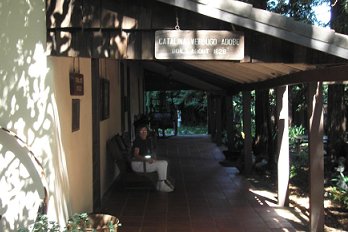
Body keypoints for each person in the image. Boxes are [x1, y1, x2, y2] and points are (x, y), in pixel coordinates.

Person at [131, 125, 174, 192]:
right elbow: (136, 155)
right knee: (160, 165)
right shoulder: (138, 141)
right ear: (138, 132)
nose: (143, 132)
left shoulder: (147, 140)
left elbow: (149, 153)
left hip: (145, 162)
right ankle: (161, 185)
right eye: (141, 131)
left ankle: (161, 183)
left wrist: (153, 157)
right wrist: (147, 159)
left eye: (145, 130)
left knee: (164, 162)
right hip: (138, 163)